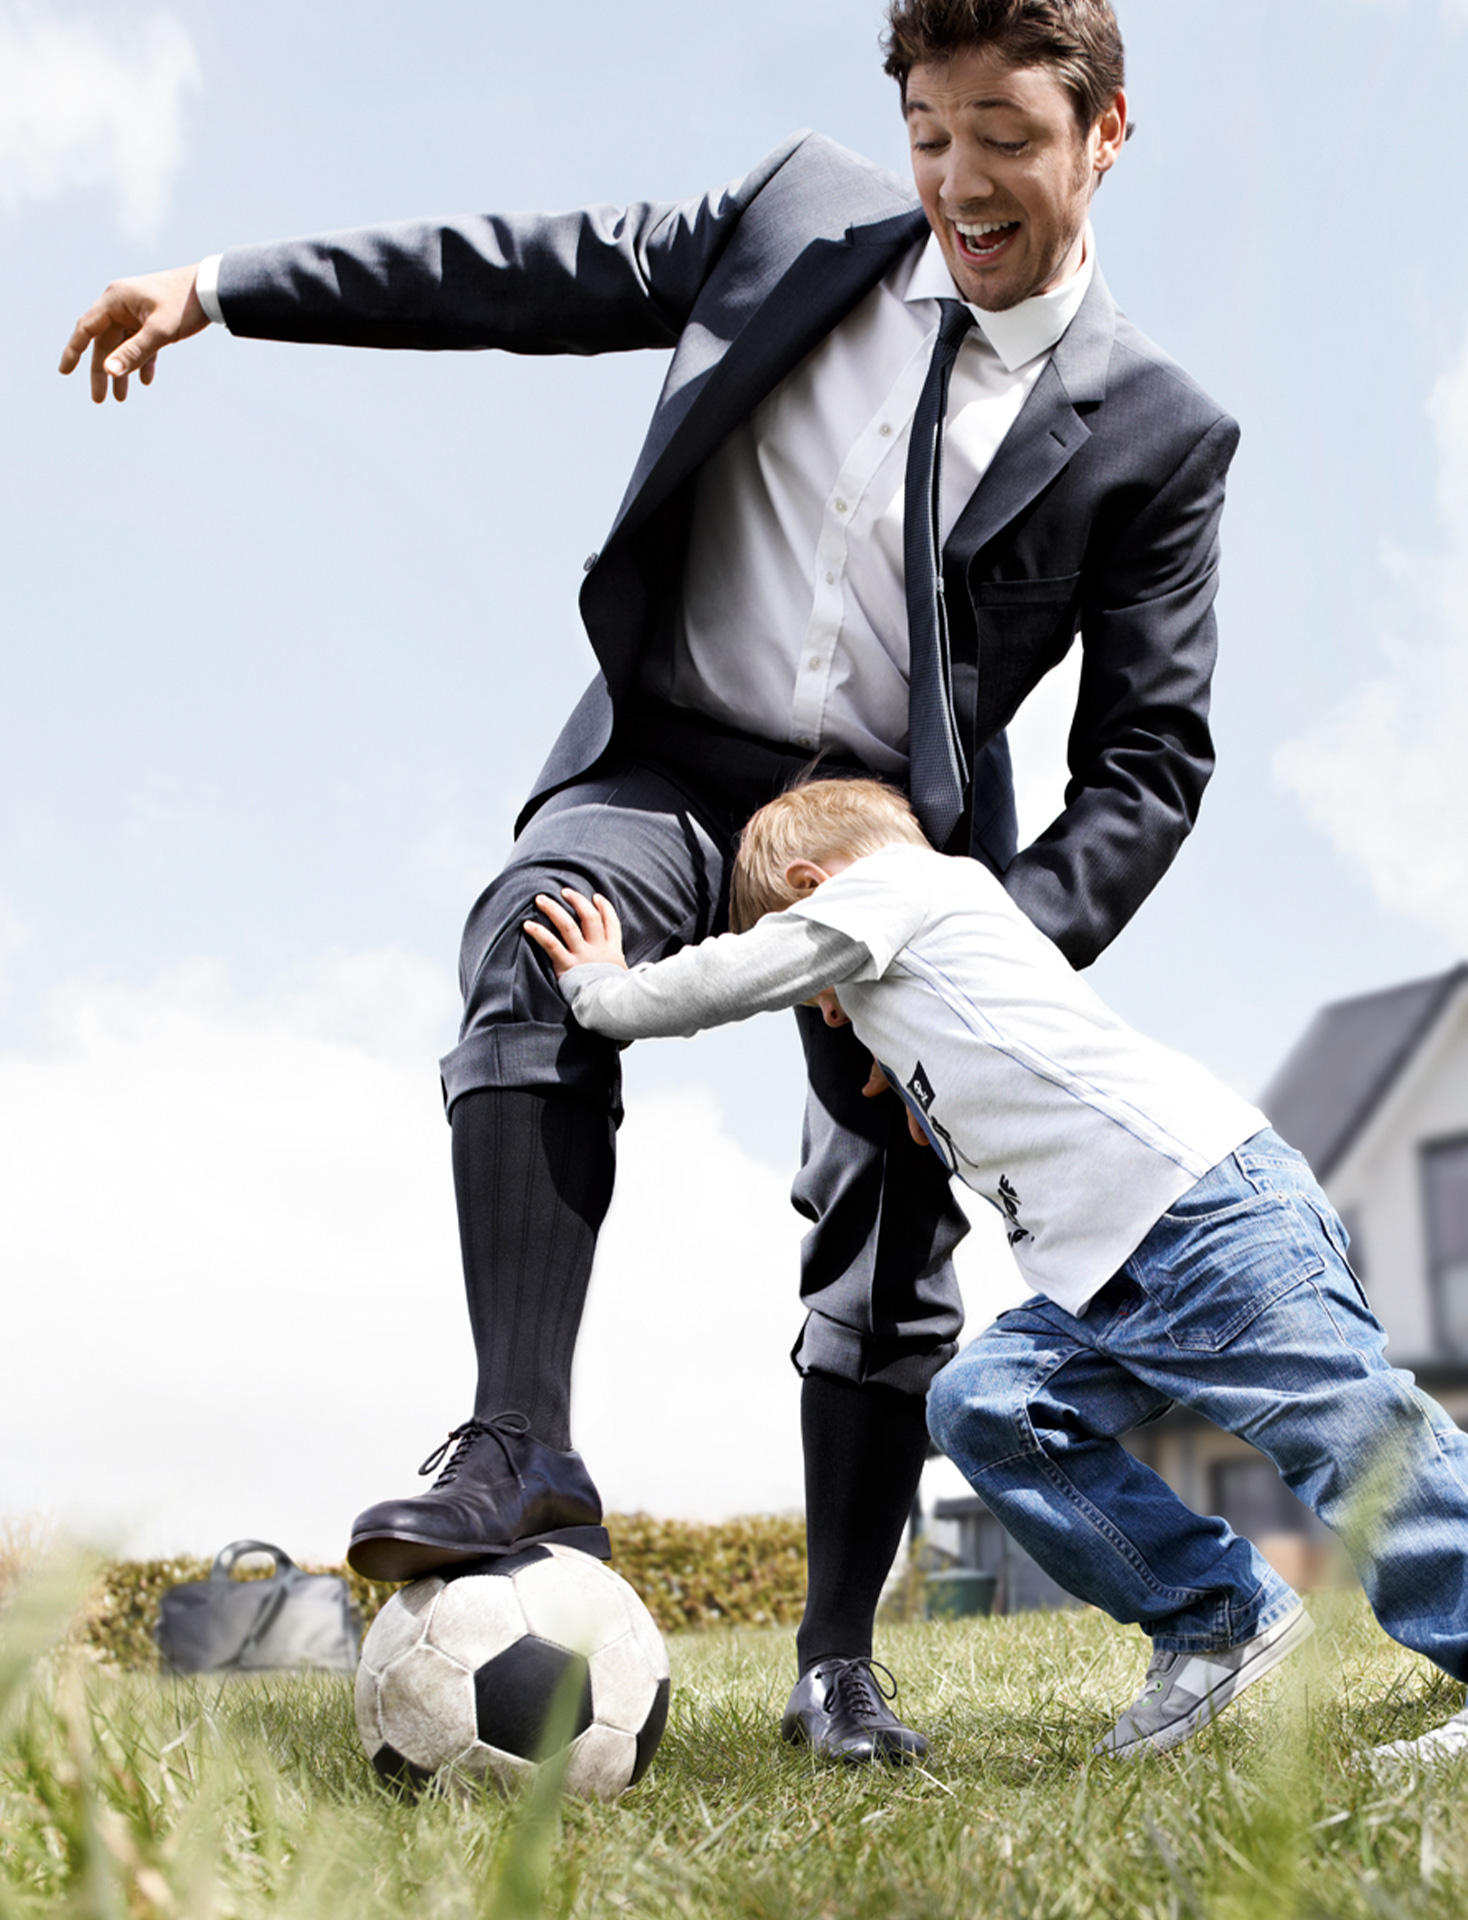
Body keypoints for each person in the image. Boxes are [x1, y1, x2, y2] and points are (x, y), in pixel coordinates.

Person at [58, 1, 1236, 1764]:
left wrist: (988, 951)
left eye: (1005, 136)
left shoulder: (1152, 429)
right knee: (529, 941)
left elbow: (1149, 764)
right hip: (676, 764)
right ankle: (521, 1442)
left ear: (1106, 134)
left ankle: (838, 1662)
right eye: (929, 131)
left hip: (888, 847)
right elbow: (512, 275)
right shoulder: (797, 219)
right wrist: (224, 285)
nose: (958, 183)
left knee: (895, 1208)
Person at [522, 776, 1468, 1764]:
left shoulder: (904, 887)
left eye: (822, 990)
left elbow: (753, 967)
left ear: (816, 887)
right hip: (1105, 1284)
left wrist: (609, 992)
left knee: (1357, 1439)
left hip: (1204, 1217)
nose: (827, 1009)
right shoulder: (944, 960)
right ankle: (1216, 1618)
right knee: (984, 1403)